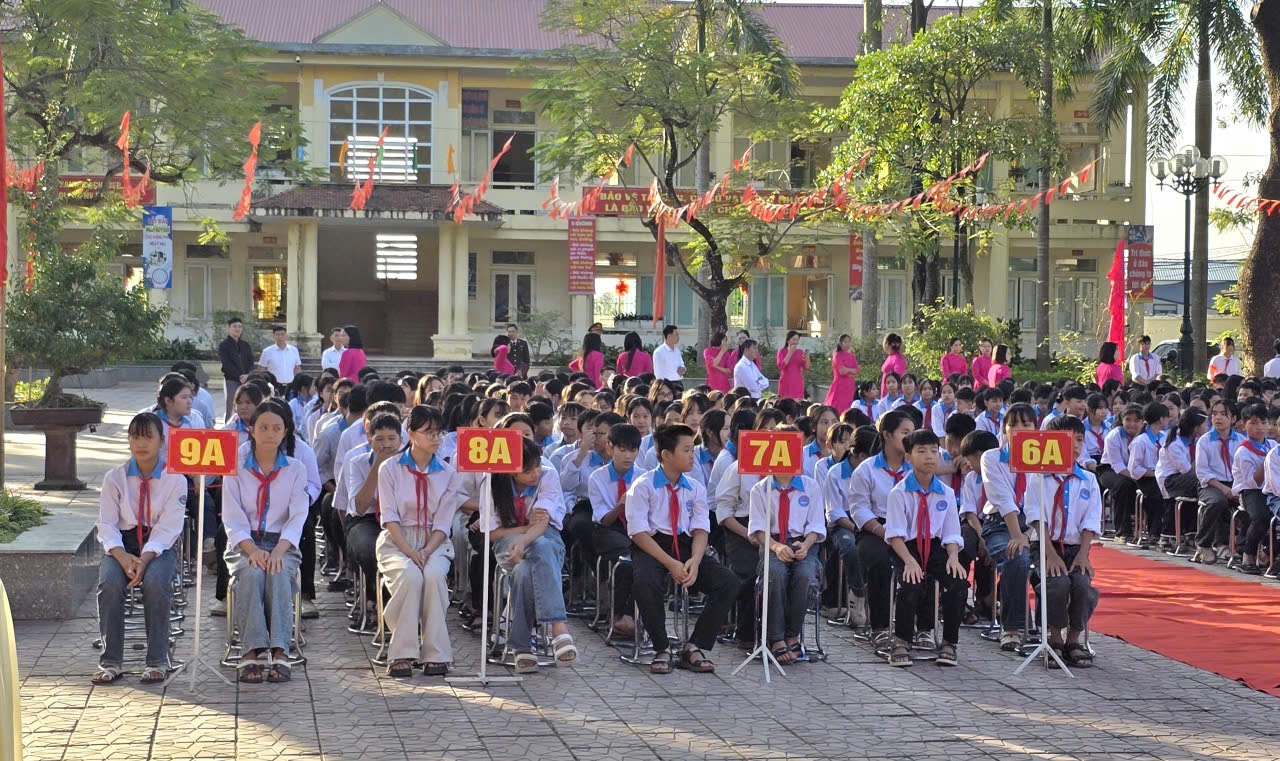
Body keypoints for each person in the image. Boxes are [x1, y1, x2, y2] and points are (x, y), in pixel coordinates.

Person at [626, 423, 740, 674]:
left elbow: (700, 529)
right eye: (686, 450)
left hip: (687, 545)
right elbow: (638, 533)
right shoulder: (643, 486)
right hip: (652, 545)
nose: (692, 456)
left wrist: (696, 561)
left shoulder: (695, 487)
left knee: (728, 582)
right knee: (645, 581)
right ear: (666, 454)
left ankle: (694, 646)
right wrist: (670, 563)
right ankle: (661, 647)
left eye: (692, 450)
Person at [92, 412, 187, 685]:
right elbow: (107, 524)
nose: (141, 444)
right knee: (110, 583)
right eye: (135, 437)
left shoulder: (174, 479)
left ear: (162, 441)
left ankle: (157, 659)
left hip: (158, 547)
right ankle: (110, 660)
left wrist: (144, 560)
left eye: (148, 437)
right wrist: (122, 557)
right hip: (122, 545)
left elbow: (168, 528)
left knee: (156, 582)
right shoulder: (115, 478)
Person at [222, 402, 310, 683]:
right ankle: (250, 651)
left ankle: (281, 650)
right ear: (251, 429)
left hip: (282, 543)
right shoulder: (235, 467)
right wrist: (252, 549)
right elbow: (232, 516)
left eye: (276, 428)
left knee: (278, 572)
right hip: (245, 543)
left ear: (285, 432)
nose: (270, 433)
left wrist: (280, 550)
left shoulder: (296, 469)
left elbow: (298, 515)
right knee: (250, 573)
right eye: (263, 427)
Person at [376, 406, 460, 677]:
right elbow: (389, 517)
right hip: (397, 540)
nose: (436, 438)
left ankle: (436, 653)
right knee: (410, 576)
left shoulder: (448, 473)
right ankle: (401, 652)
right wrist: (409, 551)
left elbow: (443, 523)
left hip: (434, 541)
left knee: (434, 576)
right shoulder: (390, 469)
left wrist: (425, 550)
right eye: (429, 432)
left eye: (439, 433)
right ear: (411, 434)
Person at [485, 437, 577, 672]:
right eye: (527, 471)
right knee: (533, 558)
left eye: (537, 466)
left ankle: (522, 646)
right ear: (510, 471)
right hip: (508, 542)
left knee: (527, 567)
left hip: (547, 540)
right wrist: (523, 531)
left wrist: (524, 540)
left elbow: (542, 522)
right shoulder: (492, 483)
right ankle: (559, 628)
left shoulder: (548, 474)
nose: (535, 474)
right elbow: (493, 534)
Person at [884, 429, 967, 667]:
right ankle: (901, 640)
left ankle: (950, 642)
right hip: (906, 548)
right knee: (911, 583)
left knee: (958, 583)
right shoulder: (899, 493)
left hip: (935, 547)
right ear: (909, 457)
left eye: (933, 451)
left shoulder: (946, 493)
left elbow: (951, 532)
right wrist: (909, 561)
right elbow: (895, 535)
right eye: (921, 451)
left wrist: (953, 557)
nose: (929, 457)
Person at [1023, 415, 1100, 668]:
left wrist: (1083, 554)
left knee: (1082, 584)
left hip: (1076, 547)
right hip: (1046, 545)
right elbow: (1037, 518)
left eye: (1079, 440)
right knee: (1057, 584)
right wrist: (1050, 554)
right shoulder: (1038, 478)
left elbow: (1091, 521)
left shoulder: (1088, 479)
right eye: (1067, 440)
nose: (1074, 446)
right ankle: (1054, 638)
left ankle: (1073, 640)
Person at [747, 451, 824, 665]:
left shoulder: (811, 486)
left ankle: (792, 635)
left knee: (806, 575)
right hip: (772, 542)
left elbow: (817, 525)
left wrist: (806, 545)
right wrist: (776, 546)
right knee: (775, 573)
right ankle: (776, 638)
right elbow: (758, 530)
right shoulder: (760, 489)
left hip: (803, 542)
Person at [850, 409, 915, 649]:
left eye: (912, 433)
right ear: (887, 435)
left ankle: (919, 627)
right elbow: (859, 509)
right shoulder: (866, 469)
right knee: (880, 562)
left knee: (927, 559)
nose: (910, 438)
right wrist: (882, 531)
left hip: (909, 529)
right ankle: (880, 627)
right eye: (905, 433)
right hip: (876, 529)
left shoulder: (915, 468)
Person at [978, 403, 1036, 651]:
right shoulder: (992, 457)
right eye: (1013, 425)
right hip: (1001, 525)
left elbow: (1043, 503)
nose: (1020, 429)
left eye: (1026, 424)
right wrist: (1018, 536)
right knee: (1017, 557)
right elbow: (1003, 499)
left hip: (1035, 526)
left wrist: (1028, 534)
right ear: (1004, 429)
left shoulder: (1045, 458)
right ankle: (1012, 628)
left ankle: (1056, 634)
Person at [587, 423, 642, 638]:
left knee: (646, 562)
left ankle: (631, 615)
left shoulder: (643, 476)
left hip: (637, 528)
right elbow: (604, 520)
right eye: (622, 449)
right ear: (610, 448)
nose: (628, 456)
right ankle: (618, 614)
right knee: (626, 559)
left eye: (633, 450)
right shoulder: (597, 477)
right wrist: (621, 504)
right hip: (609, 529)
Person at [1192, 399, 1241, 564]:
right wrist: (1223, 488)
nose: (1217, 418)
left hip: (1235, 483)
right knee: (1217, 502)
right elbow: (1202, 472)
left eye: (1223, 414)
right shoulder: (1205, 441)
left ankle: (1238, 547)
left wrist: (1236, 488)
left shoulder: (1240, 440)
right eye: (1214, 414)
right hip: (1211, 484)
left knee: (1250, 505)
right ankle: (1203, 543)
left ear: (1233, 419)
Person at [1231, 403, 1272, 574]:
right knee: (1261, 516)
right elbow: (1253, 482)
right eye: (1253, 423)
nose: (1259, 427)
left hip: (1272, 489)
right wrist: (1267, 461)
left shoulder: (1272, 444)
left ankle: (1269, 553)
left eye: (1263, 422)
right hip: (1250, 492)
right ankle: (1248, 556)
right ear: (1243, 425)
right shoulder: (1244, 451)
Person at [1127, 401, 1170, 548]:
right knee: (1158, 494)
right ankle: (1155, 531)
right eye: (1166, 417)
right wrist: (1154, 473)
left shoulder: (1164, 437)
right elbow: (1134, 469)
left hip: (1162, 476)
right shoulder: (1140, 441)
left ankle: (1171, 531)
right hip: (1146, 478)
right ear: (1161, 419)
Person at [218, 317, 255, 424]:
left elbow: (251, 362)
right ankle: (228, 427)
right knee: (232, 406)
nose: (237, 329)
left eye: (239, 326)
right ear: (228, 328)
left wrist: (248, 375)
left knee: (248, 404)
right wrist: (239, 376)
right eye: (234, 326)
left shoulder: (245, 345)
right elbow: (226, 364)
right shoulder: (224, 345)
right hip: (232, 380)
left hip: (247, 380)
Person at [824, 333, 859, 411]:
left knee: (847, 406)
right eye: (845, 342)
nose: (847, 344)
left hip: (849, 385)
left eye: (849, 341)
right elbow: (842, 371)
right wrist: (851, 370)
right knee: (837, 406)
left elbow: (857, 370)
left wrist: (847, 370)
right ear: (840, 343)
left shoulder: (852, 356)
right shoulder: (837, 355)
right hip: (839, 385)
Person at [776, 330, 809, 400]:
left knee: (797, 402)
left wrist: (807, 358)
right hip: (786, 381)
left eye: (797, 340)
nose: (795, 342)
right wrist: (790, 353)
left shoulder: (800, 352)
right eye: (794, 339)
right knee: (785, 402)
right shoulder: (781, 351)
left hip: (797, 381)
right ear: (788, 340)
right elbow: (781, 366)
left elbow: (806, 368)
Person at [880, 333, 906, 398]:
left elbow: (900, 376)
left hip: (894, 396)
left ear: (887, 344)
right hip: (886, 394)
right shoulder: (891, 356)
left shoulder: (897, 358)